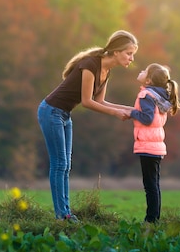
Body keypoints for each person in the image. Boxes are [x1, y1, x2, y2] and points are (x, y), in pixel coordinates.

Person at [37, 30, 138, 222]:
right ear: (116, 52)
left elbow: (102, 101)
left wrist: (132, 110)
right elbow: (87, 102)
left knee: (66, 166)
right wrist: (116, 114)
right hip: (50, 112)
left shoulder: (106, 71)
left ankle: (65, 212)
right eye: (129, 53)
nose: (131, 58)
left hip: (64, 115)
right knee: (60, 164)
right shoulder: (91, 65)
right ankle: (62, 215)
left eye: (133, 54)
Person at [126, 63, 180, 224]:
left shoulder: (146, 96)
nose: (141, 71)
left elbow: (147, 118)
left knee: (150, 186)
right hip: (156, 146)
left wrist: (131, 113)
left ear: (149, 80)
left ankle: (151, 219)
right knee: (154, 185)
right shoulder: (160, 96)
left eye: (144, 70)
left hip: (147, 146)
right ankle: (154, 217)